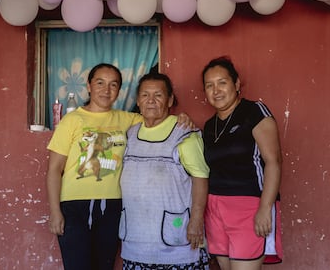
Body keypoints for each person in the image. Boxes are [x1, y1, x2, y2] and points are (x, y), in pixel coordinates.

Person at [46, 63, 194, 270]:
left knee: (103, 265)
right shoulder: (72, 120)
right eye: (100, 83)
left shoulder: (128, 119)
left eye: (113, 85)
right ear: (89, 86)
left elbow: (157, 117)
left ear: (119, 90)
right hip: (74, 206)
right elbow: (54, 169)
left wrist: (180, 118)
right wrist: (55, 211)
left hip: (113, 205)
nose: (106, 90)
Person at [119, 72, 210, 269]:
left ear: (170, 100)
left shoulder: (184, 133)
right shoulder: (130, 133)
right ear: (137, 100)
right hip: (136, 242)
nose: (151, 101)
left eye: (158, 95)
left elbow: (200, 178)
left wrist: (196, 221)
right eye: (145, 95)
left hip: (176, 243)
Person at [201, 56, 283, 270]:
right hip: (215, 207)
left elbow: (273, 162)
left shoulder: (254, 112)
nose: (216, 90)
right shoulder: (209, 126)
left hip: (248, 206)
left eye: (222, 82)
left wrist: (265, 208)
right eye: (209, 85)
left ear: (236, 84)